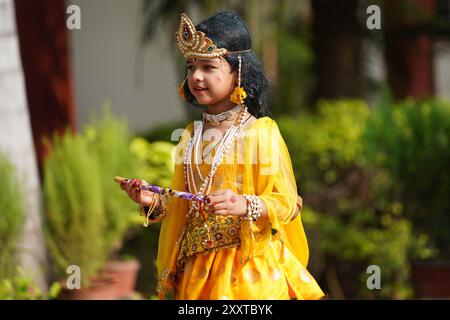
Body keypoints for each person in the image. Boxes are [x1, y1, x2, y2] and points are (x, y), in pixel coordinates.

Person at [120, 10, 325, 300]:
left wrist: (243, 204)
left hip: (249, 273)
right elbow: (185, 202)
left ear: (238, 69)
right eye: (191, 67)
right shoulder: (190, 136)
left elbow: (287, 204)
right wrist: (152, 201)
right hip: (197, 276)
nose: (196, 76)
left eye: (208, 66)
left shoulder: (260, 132)